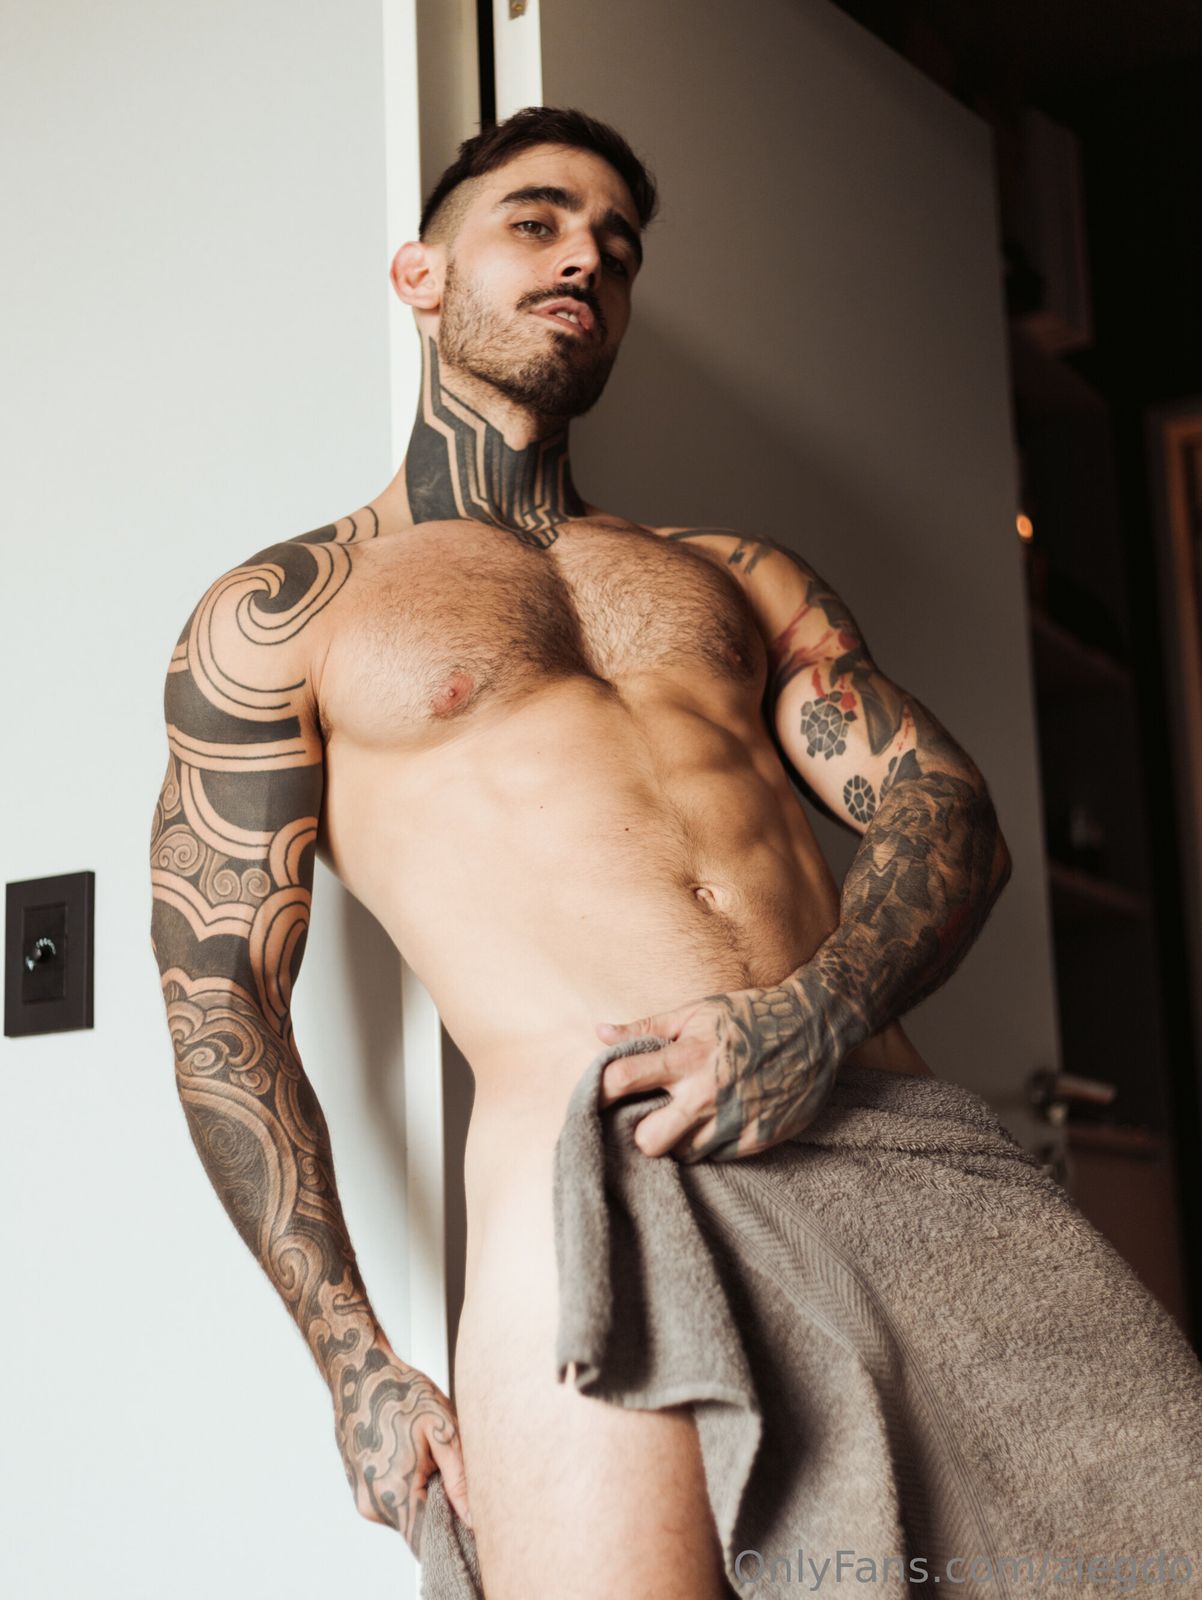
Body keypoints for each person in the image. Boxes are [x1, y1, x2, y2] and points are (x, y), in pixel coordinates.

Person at [148, 105, 1015, 1595]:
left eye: (617, 246)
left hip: (885, 1136)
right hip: (601, 1202)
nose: (586, 261)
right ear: (421, 274)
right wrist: (353, 1364)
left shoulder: (734, 579)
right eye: (537, 221)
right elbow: (221, 1001)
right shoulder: (288, 613)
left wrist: (815, 1015)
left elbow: (947, 812)